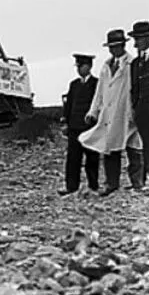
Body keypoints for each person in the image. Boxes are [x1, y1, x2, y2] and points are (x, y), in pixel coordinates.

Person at [79, 29, 144, 196]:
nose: (114, 50)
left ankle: (137, 183)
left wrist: (133, 112)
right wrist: (93, 111)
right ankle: (111, 184)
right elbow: (99, 92)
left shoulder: (132, 64)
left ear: (123, 45)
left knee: (133, 147)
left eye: (117, 46)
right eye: (111, 47)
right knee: (110, 148)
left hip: (126, 111)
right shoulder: (106, 66)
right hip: (109, 113)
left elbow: (134, 90)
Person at [129, 21, 149, 197]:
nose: (136, 43)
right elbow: (134, 88)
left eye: (139, 39)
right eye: (135, 39)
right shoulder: (136, 63)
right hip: (142, 111)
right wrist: (135, 107)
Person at [59, 54, 99, 195]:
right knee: (73, 158)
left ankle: (93, 186)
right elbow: (68, 106)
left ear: (89, 66)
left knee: (92, 158)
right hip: (74, 128)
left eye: (81, 66)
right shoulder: (74, 84)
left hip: (90, 128)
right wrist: (65, 122)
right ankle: (71, 187)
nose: (79, 69)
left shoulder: (96, 84)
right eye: (77, 66)